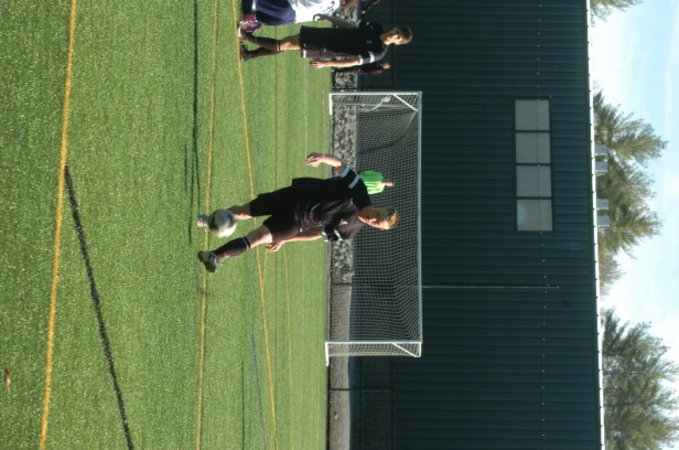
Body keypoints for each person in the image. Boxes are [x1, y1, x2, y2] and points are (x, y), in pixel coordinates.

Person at [197, 153, 399, 273]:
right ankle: (211, 221)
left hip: (297, 221)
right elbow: (340, 165)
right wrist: (321, 158)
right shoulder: (359, 190)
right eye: (377, 215)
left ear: (378, 229)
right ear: (380, 207)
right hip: (294, 196)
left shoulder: (350, 231)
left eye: (376, 223)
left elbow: (316, 233)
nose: (373, 219)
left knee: (258, 237)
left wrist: (285, 239)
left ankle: (214, 256)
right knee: (243, 212)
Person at [237, 16, 412, 68]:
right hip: (326, 34)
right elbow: (350, 25)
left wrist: (326, 63)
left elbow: (352, 61)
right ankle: (248, 55)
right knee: (287, 42)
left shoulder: (378, 52)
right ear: (394, 28)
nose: (395, 35)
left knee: (284, 45)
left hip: (325, 47)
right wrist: (329, 18)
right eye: (397, 32)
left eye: (398, 37)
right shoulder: (376, 26)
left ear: (398, 43)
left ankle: (245, 36)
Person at [239, 0, 358, 31]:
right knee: (257, 16)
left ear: (344, 1)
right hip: (290, 19)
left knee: (250, 3)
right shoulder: (331, 11)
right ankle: (253, 23)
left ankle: (250, 19)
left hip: (288, 8)